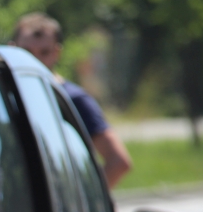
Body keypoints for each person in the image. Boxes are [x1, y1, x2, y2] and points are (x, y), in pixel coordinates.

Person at [11, 13, 133, 188]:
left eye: (44, 52)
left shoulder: (73, 100)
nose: (34, 61)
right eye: (27, 52)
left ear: (56, 52)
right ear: (11, 49)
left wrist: (87, 203)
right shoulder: (2, 97)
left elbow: (118, 162)